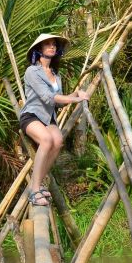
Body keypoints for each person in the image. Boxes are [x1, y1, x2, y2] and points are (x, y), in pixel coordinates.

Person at [19, 33, 90, 206]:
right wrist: (73, 99)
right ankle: (34, 190)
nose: (52, 47)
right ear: (39, 49)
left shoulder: (55, 75)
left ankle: (39, 182)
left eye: (54, 45)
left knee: (57, 141)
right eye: (48, 44)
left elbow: (58, 102)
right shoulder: (32, 71)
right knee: (46, 140)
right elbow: (48, 98)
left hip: (48, 118)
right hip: (32, 116)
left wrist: (76, 94)